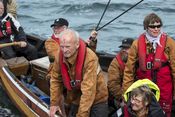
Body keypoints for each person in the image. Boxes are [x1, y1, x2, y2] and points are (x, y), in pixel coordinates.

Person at [122, 13, 175, 117]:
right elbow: (129, 71)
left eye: (158, 26)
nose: (156, 29)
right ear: (146, 27)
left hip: (165, 87)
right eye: (152, 26)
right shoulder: (136, 44)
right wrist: (126, 93)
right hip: (144, 89)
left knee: (164, 113)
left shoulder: (170, 43)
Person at [49, 29, 108, 117]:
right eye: (62, 46)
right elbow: (55, 80)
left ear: (77, 45)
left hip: (97, 98)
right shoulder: (59, 55)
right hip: (76, 96)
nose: (64, 50)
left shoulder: (90, 58)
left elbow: (88, 91)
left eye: (68, 47)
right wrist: (54, 103)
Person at [107, 38, 134, 114]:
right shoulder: (115, 63)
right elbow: (113, 84)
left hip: (135, 94)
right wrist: (123, 99)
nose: (124, 50)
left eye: (127, 48)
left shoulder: (138, 60)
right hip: (120, 95)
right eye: (123, 48)